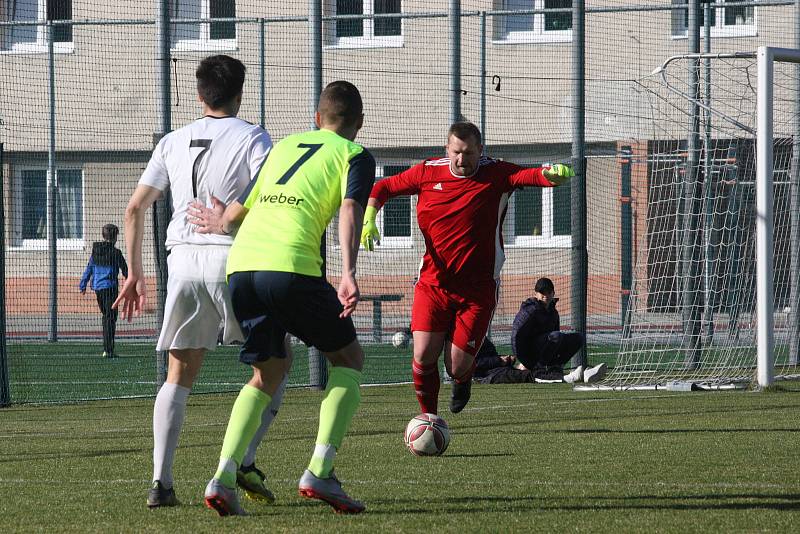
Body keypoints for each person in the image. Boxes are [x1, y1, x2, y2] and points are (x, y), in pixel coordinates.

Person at [188, 80, 375, 515]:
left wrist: (220, 222)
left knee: (268, 371)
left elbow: (240, 208)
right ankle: (320, 471)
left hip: (242, 269)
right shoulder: (353, 154)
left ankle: (223, 476)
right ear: (359, 124)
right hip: (289, 268)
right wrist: (348, 273)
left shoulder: (286, 146)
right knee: (348, 360)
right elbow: (350, 209)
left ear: (316, 117)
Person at [113, 54, 286, 509]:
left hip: (183, 266)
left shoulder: (172, 140)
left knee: (179, 373)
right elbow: (267, 196)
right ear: (240, 93)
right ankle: (241, 463)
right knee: (274, 364)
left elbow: (134, 209)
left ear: (199, 93)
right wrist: (227, 221)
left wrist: (134, 273)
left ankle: (161, 483)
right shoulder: (253, 136)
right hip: (234, 259)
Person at [360, 122, 574, 415]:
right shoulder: (427, 172)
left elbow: (532, 174)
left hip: (477, 290)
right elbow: (383, 186)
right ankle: (429, 418)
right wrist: (370, 216)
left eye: (469, 153)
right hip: (433, 284)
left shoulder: (495, 173)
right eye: (456, 153)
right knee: (422, 355)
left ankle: (463, 380)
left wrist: (552, 175)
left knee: (457, 365)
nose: (462, 160)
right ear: (447, 149)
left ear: (480, 150)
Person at [511, 277, 607, 384]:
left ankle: (556, 367)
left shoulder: (553, 312)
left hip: (544, 348)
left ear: (553, 293)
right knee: (556, 336)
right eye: (542, 292)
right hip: (531, 353)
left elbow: (556, 338)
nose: (545, 295)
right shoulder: (530, 311)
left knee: (577, 338)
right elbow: (516, 336)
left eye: (548, 292)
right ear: (536, 294)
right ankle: (540, 370)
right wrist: (526, 362)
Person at [79, 223, 128, 358]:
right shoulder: (116, 253)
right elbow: (125, 270)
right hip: (110, 288)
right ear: (115, 237)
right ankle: (108, 349)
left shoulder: (96, 252)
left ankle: (108, 348)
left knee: (106, 316)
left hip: (98, 289)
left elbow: (89, 268)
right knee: (111, 318)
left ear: (103, 235)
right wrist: (132, 283)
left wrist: (83, 284)